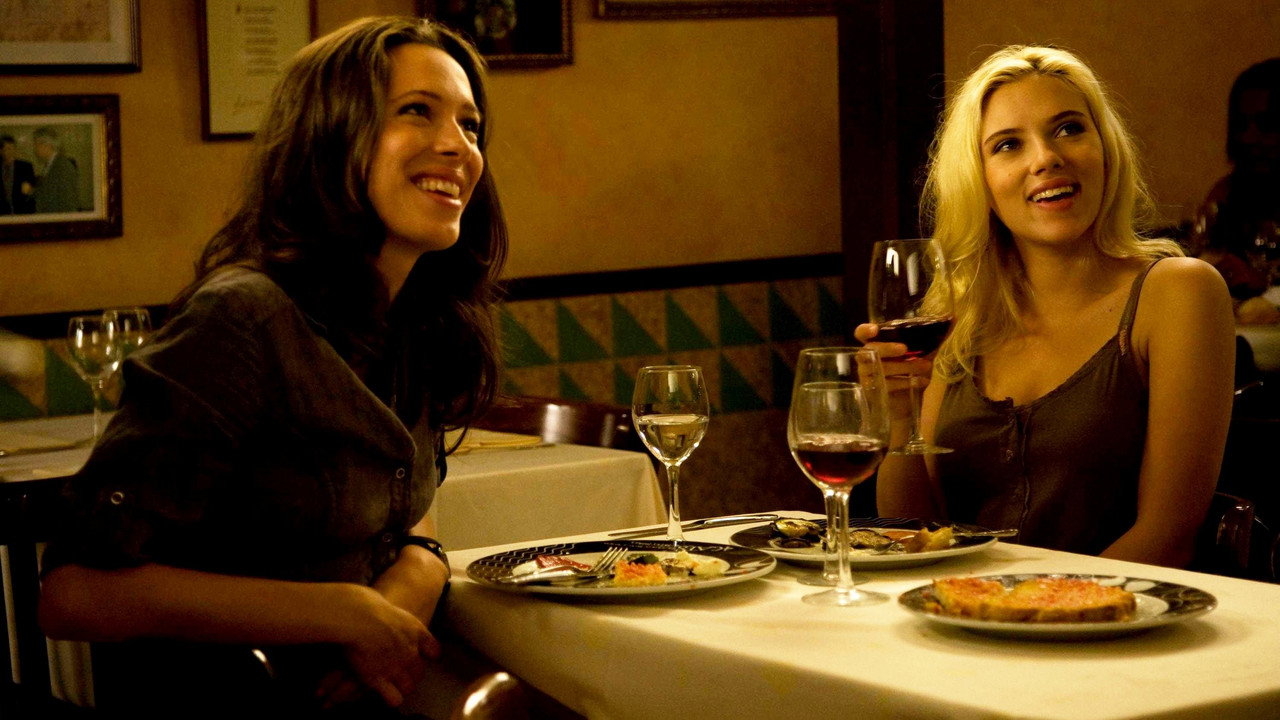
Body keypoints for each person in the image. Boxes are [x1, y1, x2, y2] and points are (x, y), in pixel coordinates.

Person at [38, 16, 506, 717]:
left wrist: (417, 572)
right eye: (417, 111)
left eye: (471, 126)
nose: (457, 146)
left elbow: (407, 510)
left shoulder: (415, 322)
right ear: (330, 135)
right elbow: (72, 592)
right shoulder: (243, 318)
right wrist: (340, 614)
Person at [859, 45, 1235, 568]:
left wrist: (1032, 606)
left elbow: (1168, 536)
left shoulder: (1179, 292)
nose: (1046, 158)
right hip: (963, 608)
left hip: (1122, 613)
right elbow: (915, 535)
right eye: (1008, 145)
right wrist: (900, 419)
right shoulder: (958, 314)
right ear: (980, 180)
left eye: (1068, 129)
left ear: (1105, 149)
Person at [1191, 58, 1280, 304]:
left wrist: (1266, 288)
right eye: (1241, 125)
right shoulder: (1227, 193)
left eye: (1266, 125)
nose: (1248, 137)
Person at [32, 126, 80, 212]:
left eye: (36, 145)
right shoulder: (49, 165)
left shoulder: (63, 166)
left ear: (46, 145)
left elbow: (67, 203)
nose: (35, 149)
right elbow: (47, 193)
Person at [0, 134, 36, 214]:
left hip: (22, 211)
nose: (11, 152)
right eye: (7, 149)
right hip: (2, 213)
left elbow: (32, 189)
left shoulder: (25, 167)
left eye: (13, 148)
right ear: (1, 151)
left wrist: (29, 190)